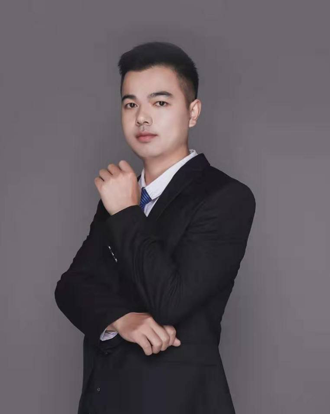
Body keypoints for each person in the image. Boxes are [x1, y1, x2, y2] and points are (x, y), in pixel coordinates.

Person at [55, 41, 256, 414]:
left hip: (179, 402)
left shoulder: (226, 197)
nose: (142, 118)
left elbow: (171, 300)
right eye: (130, 104)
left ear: (192, 112)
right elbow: (71, 287)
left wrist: (126, 212)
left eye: (160, 103)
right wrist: (122, 320)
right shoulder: (122, 196)